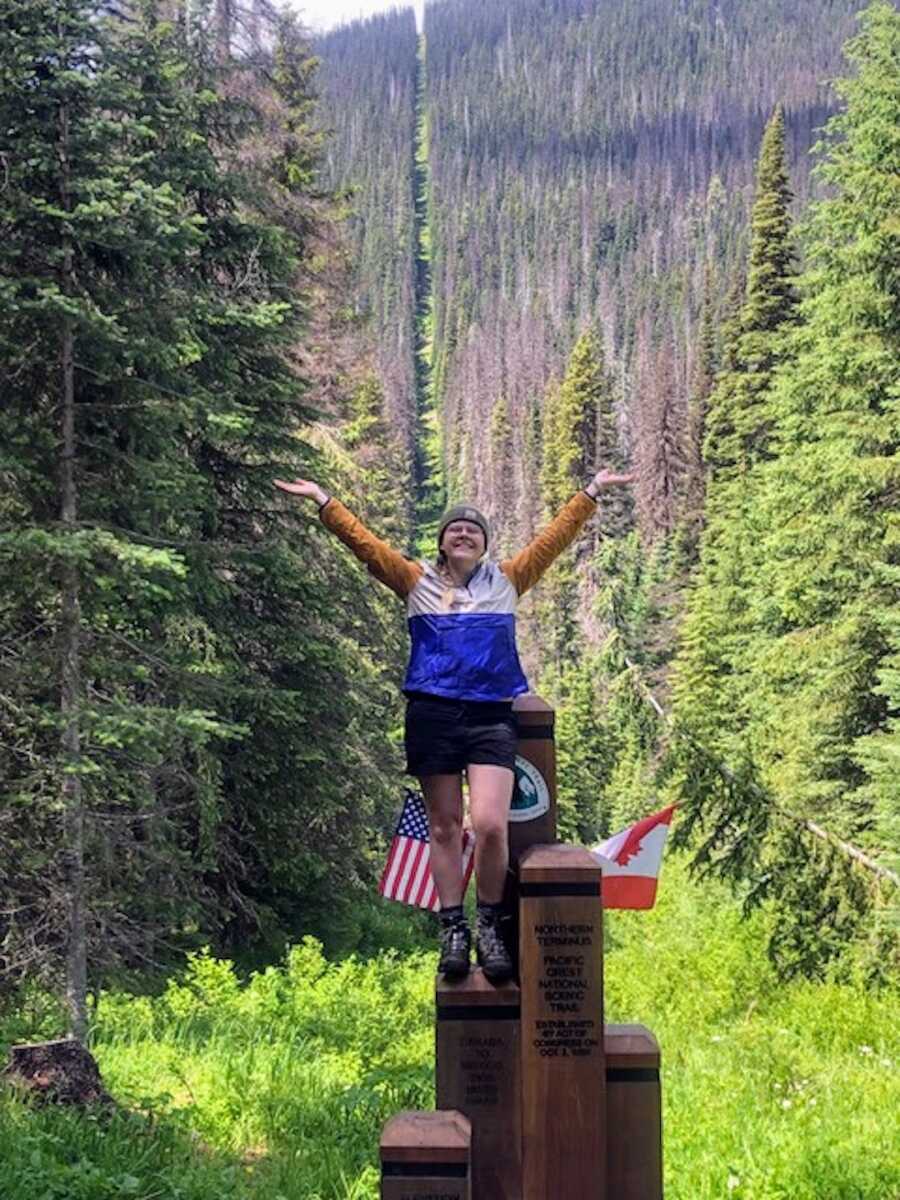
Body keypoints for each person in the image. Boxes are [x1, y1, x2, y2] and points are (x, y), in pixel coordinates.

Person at [273, 469, 634, 982]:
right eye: (454, 529)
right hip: (433, 714)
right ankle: (452, 928)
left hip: (490, 716)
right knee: (443, 827)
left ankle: (487, 923)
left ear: (485, 543)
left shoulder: (508, 580)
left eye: (474, 530)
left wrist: (591, 492)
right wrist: (323, 501)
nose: (463, 534)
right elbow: (366, 545)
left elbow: (553, 539)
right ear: (442, 540)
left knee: (489, 825)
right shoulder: (414, 580)